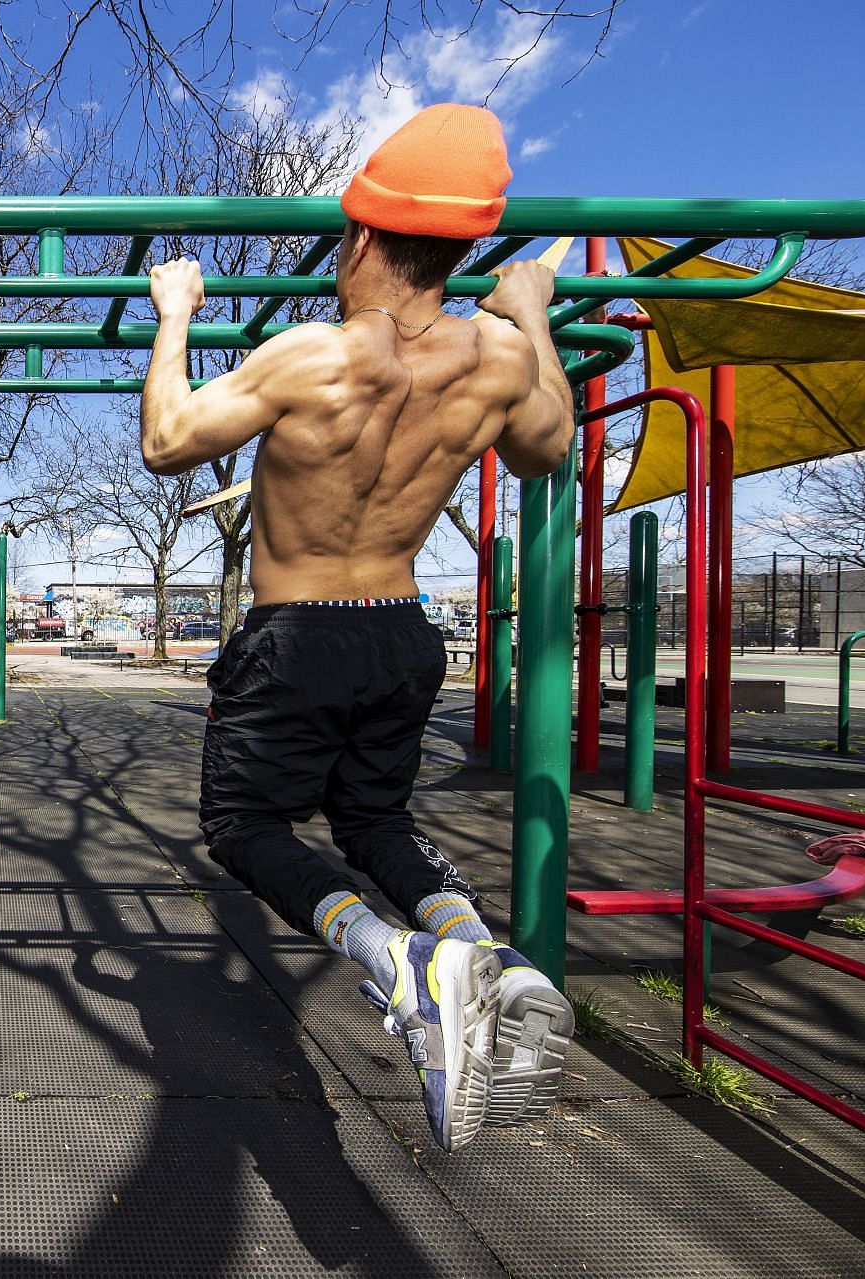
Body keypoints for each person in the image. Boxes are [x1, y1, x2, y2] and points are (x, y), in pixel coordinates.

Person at [138, 104, 576, 1152]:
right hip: (401, 629)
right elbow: (547, 450)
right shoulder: (501, 359)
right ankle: (486, 955)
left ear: (367, 240)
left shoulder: (313, 355)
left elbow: (166, 439)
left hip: (298, 629)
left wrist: (175, 311)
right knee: (372, 826)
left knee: (245, 828)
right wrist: (531, 310)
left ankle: (398, 961)